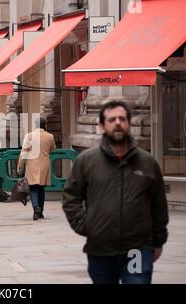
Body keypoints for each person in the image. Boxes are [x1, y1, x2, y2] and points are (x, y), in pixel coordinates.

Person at [62, 100, 169, 284]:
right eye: (112, 119)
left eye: (122, 119)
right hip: (100, 249)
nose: (118, 123)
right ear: (102, 126)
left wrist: (158, 240)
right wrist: (86, 226)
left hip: (137, 248)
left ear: (129, 124)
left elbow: (158, 204)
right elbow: (71, 197)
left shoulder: (147, 162)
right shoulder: (87, 160)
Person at [17, 117, 56, 220]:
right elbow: (53, 148)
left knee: (33, 188)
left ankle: (36, 209)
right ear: (45, 125)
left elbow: (23, 153)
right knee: (41, 188)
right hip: (44, 165)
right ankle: (40, 212)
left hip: (32, 165)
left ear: (35, 125)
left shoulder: (29, 136)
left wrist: (19, 168)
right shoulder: (49, 136)